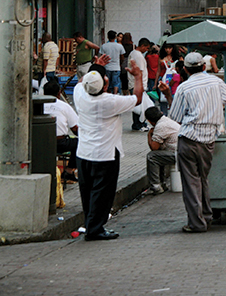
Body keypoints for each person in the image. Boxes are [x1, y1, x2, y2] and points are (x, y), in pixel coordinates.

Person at [167, 52, 226, 233]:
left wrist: (167, 95)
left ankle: (197, 223)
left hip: (189, 139)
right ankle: (206, 216)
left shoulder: (184, 88)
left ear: (185, 70)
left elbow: (175, 117)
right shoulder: (216, 82)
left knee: (191, 183)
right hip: (208, 140)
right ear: (204, 67)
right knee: (203, 179)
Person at [75, 64, 143, 240]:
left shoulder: (79, 93)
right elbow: (138, 98)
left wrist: (94, 67)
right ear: (105, 86)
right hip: (105, 155)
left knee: (87, 192)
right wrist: (138, 76)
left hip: (83, 153)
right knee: (102, 194)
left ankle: (91, 225)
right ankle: (95, 229)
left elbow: (82, 82)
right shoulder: (110, 101)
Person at [43, 80, 79, 180]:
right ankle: (69, 170)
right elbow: (75, 128)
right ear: (59, 94)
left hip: (38, 142)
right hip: (59, 143)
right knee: (80, 143)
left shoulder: (36, 104)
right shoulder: (64, 106)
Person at [145, 106, 180, 195]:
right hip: (181, 151)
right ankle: (162, 184)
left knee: (152, 156)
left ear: (149, 121)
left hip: (179, 154)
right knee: (159, 155)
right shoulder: (166, 120)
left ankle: (156, 186)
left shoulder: (161, 126)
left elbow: (154, 148)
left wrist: (149, 135)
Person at [128, 38, 151, 130]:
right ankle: (139, 124)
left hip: (134, 83)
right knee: (139, 106)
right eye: (146, 48)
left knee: (138, 105)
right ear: (142, 46)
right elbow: (140, 71)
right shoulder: (139, 56)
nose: (147, 50)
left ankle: (138, 123)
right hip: (137, 84)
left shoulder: (133, 53)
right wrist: (141, 85)